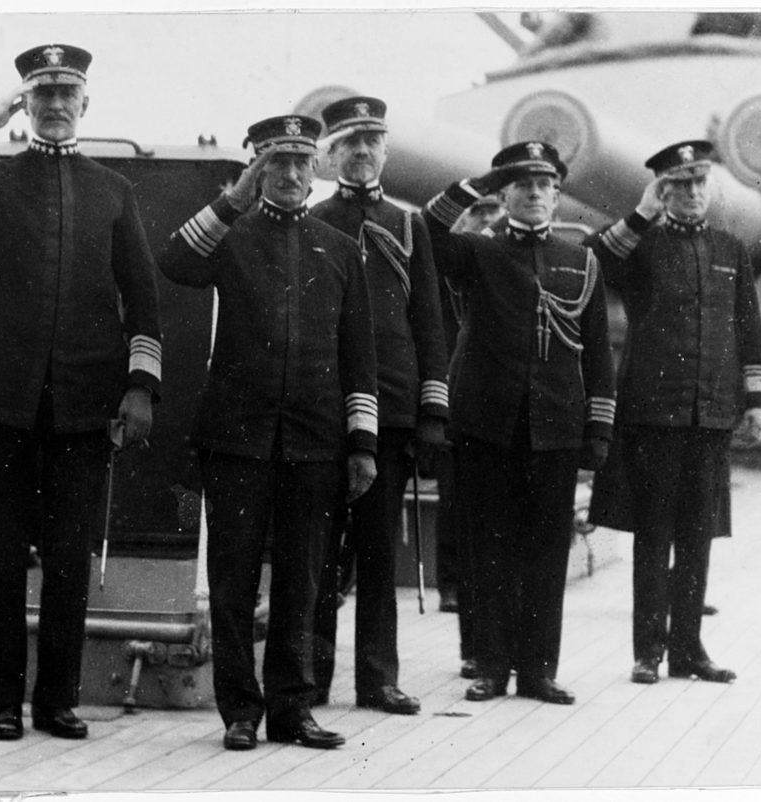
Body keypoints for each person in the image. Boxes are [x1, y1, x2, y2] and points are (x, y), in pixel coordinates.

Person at [0, 44, 163, 741]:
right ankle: (3, 700)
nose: (55, 106)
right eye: (41, 95)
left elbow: (142, 297)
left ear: (85, 104)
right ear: (25, 105)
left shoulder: (112, 190)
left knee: (67, 559)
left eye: (67, 94)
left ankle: (57, 700)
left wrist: (140, 386)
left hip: (84, 404)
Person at [158, 114, 378, 751]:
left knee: (303, 581)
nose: (288, 175)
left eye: (300, 163)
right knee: (231, 580)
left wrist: (361, 443)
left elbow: (358, 353)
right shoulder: (232, 235)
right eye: (275, 163)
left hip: (315, 440)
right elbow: (175, 260)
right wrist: (233, 198)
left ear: (316, 171)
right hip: (237, 438)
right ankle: (240, 713)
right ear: (257, 168)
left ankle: (292, 710)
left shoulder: (339, 248)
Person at [423, 141, 616, 704]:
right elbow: (427, 235)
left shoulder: (581, 261)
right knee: (487, 549)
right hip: (486, 425)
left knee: (546, 551)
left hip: (554, 428)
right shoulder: (477, 253)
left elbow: (599, 353)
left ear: (557, 194)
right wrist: (476, 182)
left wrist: (598, 429)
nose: (534, 194)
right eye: (521, 185)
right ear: (504, 193)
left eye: (544, 185)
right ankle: (490, 666)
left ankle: (537, 671)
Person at [586, 140, 761, 685]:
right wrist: (642, 213)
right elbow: (596, 263)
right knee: (654, 532)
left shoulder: (729, 247)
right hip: (654, 413)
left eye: (698, 182)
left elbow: (748, 327)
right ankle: (649, 652)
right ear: (662, 191)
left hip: (711, 414)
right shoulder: (642, 245)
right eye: (678, 184)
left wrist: (756, 400)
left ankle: (689, 650)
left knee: (698, 535)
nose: (691, 193)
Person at [309, 96, 449, 716]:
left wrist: (431, 414)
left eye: (372, 142)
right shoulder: (312, 220)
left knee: (377, 552)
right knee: (316, 552)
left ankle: (377, 679)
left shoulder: (409, 224)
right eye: (349, 144)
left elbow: (430, 324)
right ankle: (309, 679)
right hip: (322, 409)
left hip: (390, 411)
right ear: (329, 155)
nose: (362, 153)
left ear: (385, 152)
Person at [435, 195, 504, 681]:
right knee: (456, 504)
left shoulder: (498, 261)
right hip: (451, 393)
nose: (487, 222)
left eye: (492, 214)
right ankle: (452, 591)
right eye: (479, 213)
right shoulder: (453, 261)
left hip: (491, 397)